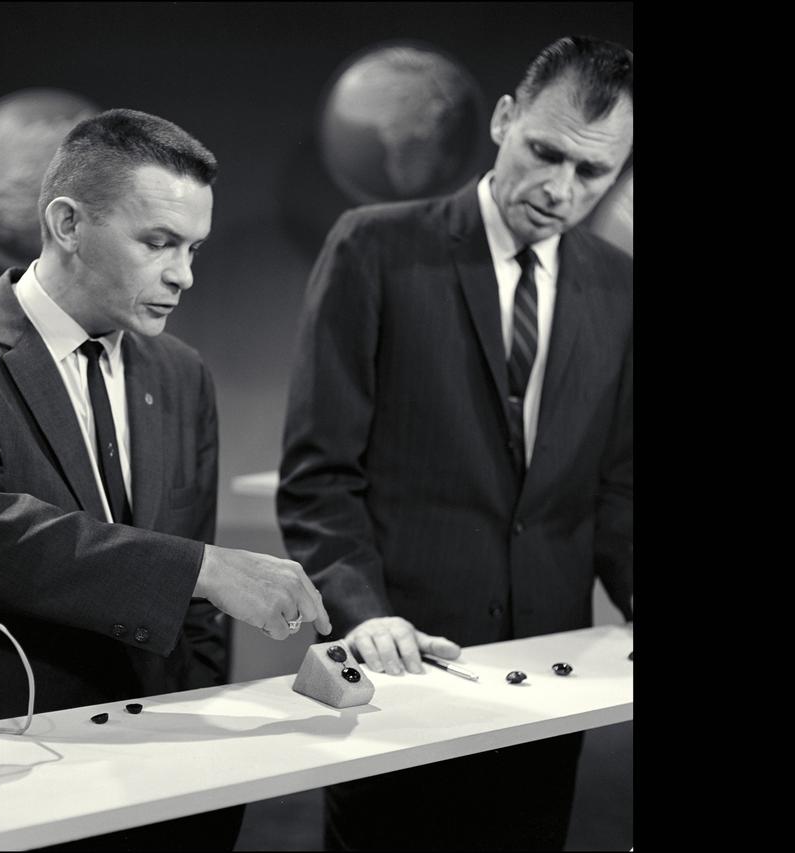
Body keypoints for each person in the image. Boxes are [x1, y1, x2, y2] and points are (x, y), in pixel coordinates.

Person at [0, 108, 330, 850]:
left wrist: (212, 758)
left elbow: (200, 621)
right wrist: (202, 569)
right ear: (66, 223)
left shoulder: (183, 373)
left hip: (168, 777)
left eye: (194, 248)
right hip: (6, 769)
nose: (183, 274)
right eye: (159, 242)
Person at [277, 36, 633, 851]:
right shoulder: (372, 248)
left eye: (593, 173)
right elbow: (319, 479)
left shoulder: (621, 290)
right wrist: (364, 617)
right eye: (546, 153)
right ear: (506, 120)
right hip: (404, 664)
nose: (560, 189)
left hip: (552, 676)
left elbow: (615, 489)